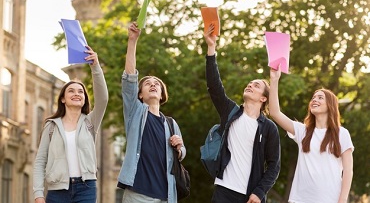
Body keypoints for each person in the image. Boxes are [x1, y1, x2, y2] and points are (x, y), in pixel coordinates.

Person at [204, 24, 281, 203]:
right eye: (249, 83)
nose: (250, 85)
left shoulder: (269, 128)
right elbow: (214, 86)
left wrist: (259, 192)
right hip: (223, 190)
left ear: (263, 99)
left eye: (256, 85)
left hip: (250, 196)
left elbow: (274, 166)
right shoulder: (230, 112)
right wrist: (211, 47)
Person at [116, 22, 186, 203]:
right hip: (137, 194)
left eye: (157, 84)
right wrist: (132, 41)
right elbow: (130, 79)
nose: (153, 84)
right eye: (147, 83)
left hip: (166, 195)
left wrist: (179, 148)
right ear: (140, 95)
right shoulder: (135, 112)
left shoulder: (171, 123)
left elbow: (181, 154)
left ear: (162, 94)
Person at [33, 45, 108, 203]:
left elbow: (102, 99)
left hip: (86, 188)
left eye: (80, 92)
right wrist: (38, 193)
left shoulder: (90, 122)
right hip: (57, 191)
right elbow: (40, 161)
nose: (77, 94)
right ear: (62, 98)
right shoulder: (51, 126)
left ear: (84, 99)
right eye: (71, 91)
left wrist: (95, 67)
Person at [269, 67, 354, 203]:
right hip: (300, 199)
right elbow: (274, 113)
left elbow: (348, 171)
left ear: (330, 105)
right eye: (313, 98)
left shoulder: (341, 133)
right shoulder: (303, 131)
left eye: (320, 98)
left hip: (329, 199)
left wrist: (342, 200)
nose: (314, 100)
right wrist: (274, 80)